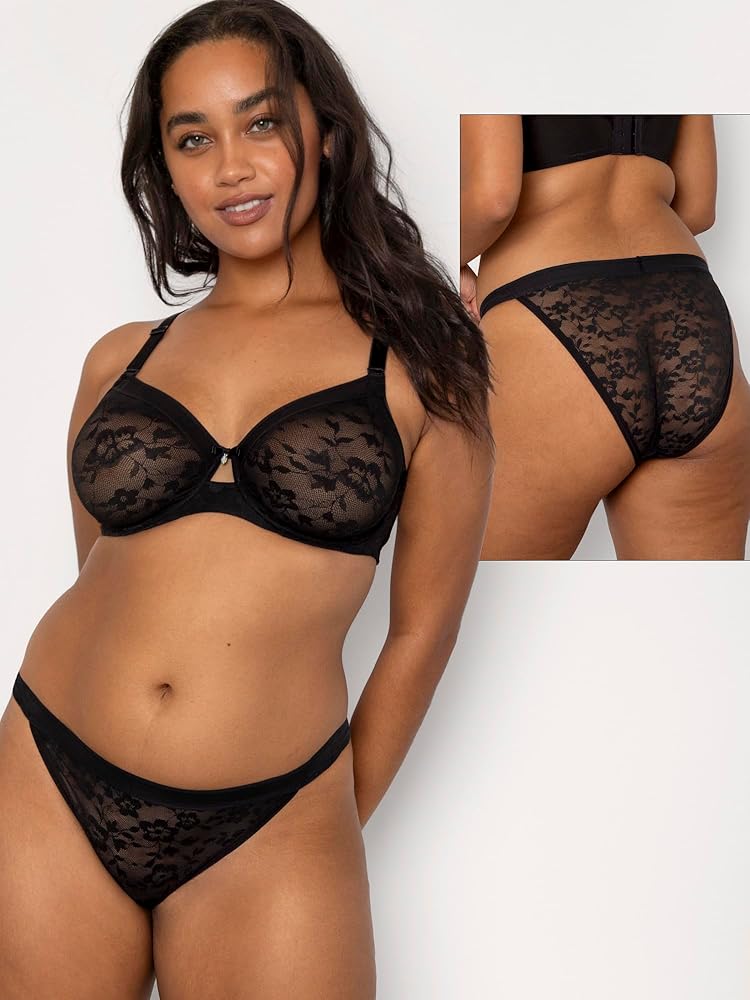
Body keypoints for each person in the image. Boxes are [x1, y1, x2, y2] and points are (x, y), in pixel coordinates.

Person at [0, 3, 494, 996]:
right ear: (166, 171)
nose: (231, 166)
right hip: (51, 771)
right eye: (194, 139)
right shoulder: (119, 360)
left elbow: (422, 633)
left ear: (326, 132)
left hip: (274, 814)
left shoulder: (425, 370)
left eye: (261, 122)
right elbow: (105, 571)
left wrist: (319, 814)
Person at [461, 114, 750, 559]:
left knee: (494, 599)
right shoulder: (680, 62)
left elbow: (493, 199)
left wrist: (440, 257)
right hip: (691, 316)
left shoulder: (505, 61)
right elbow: (697, 206)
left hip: (551, 300)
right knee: (688, 601)